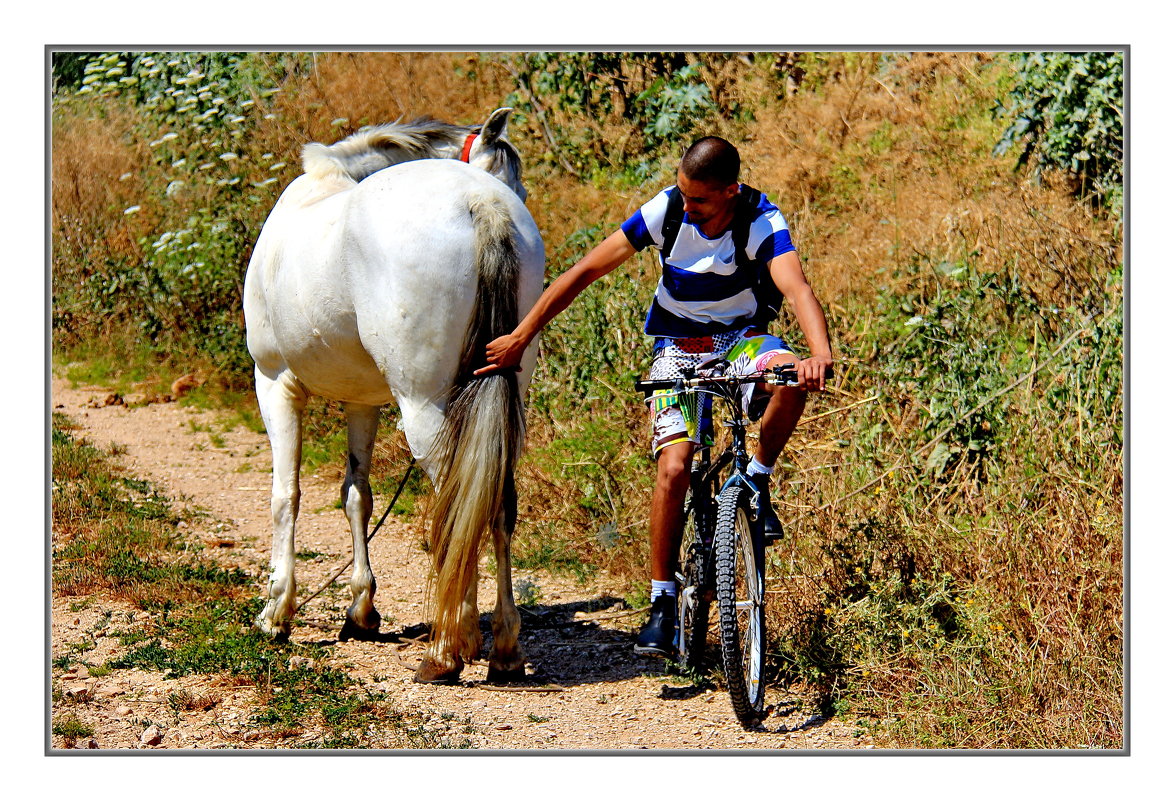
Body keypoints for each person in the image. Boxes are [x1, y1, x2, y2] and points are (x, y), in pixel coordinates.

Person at [476, 136, 834, 657]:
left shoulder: (761, 219)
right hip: (678, 350)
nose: (688, 208)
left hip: (742, 340)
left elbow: (797, 288)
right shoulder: (667, 209)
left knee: (788, 376)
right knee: (674, 469)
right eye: (684, 196)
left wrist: (817, 354)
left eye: (701, 201)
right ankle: (662, 601)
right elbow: (586, 270)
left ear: (731, 191)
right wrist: (522, 335)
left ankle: (755, 480)